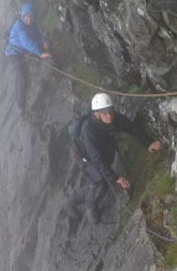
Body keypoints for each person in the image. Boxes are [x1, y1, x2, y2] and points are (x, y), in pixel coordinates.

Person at [66, 93, 162, 223]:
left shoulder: (113, 117)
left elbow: (131, 127)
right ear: (97, 113)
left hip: (102, 151)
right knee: (101, 181)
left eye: (110, 111)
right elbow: (97, 160)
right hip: (84, 156)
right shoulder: (88, 130)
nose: (109, 115)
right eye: (105, 112)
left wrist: (148, 143)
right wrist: (116, 178)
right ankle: (90, 205)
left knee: (99, 179)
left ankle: (72, 201)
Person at [4, 3, 51, 115]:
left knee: (43, 45)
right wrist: (40, 53)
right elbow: (26, 42)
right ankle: (20, 106)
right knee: (22, 77)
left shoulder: (33, 25)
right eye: (27, 16)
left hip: (23, 52)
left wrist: (44, 41)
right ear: (23, 16)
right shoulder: (19, 26)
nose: (29, 19)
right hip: (14, 54)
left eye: (31, 16)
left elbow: (38, 34)